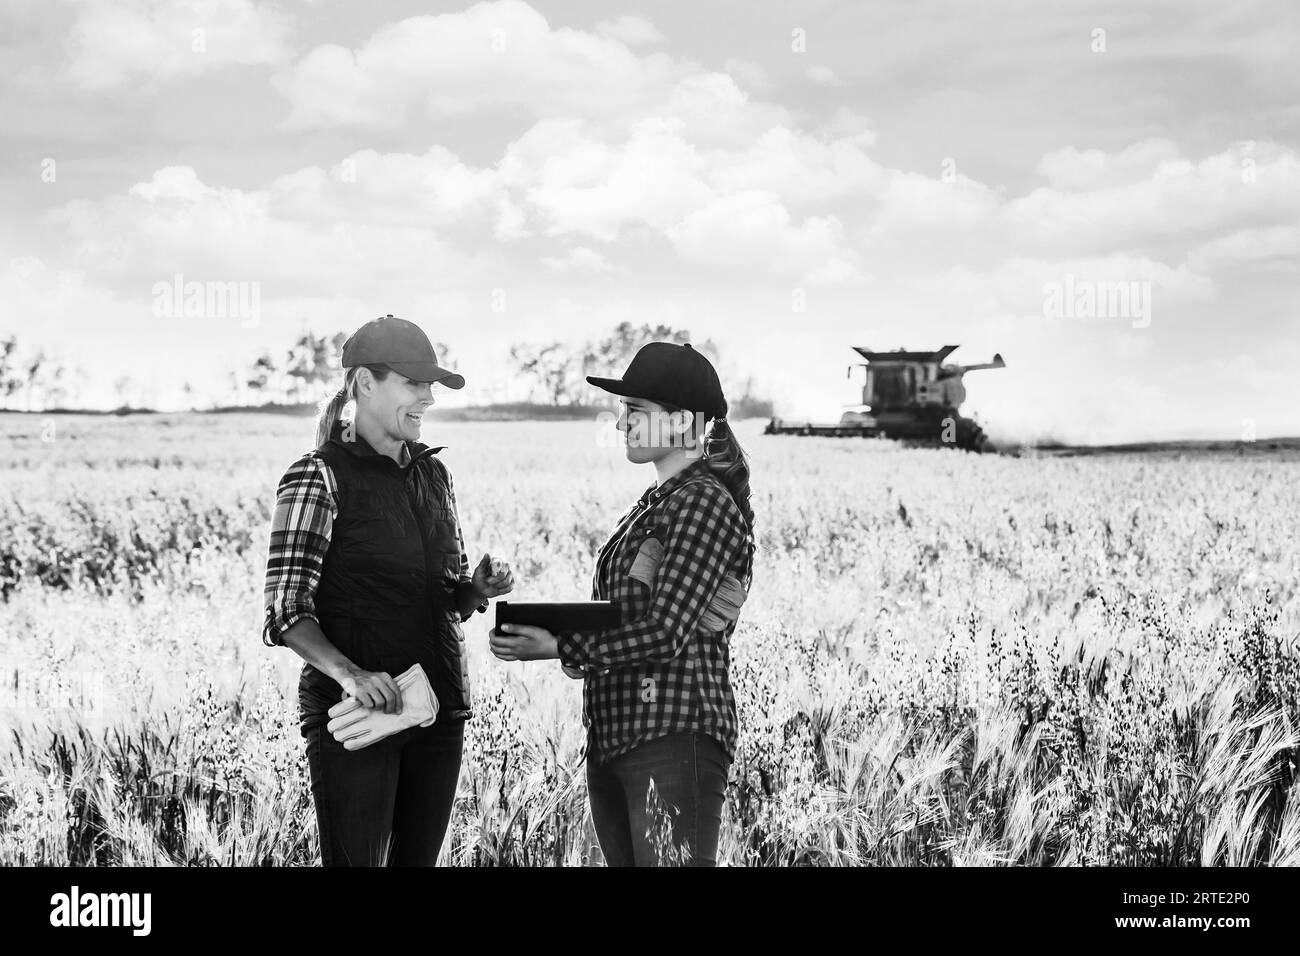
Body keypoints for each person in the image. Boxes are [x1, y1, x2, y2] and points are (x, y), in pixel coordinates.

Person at [489, 341, 756, 866]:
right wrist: (557, 637)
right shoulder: (653, 505)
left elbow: (665, 631)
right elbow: (623, 619)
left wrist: (558, 643)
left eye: (635, 412)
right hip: (617, 737)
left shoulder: (702, 501)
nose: (620, 424)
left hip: (674, 737)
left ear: (682, 422)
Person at [262, 314, 514, 866]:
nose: (427, 397)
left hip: (439, 709)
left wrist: (476, 588)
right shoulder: (316, 476)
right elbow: (285, 611)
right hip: (359, 717)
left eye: (430, 385)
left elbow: (449, 599)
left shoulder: (434, 475)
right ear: (364, 384)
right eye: (413, 383)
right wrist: (352, 676)